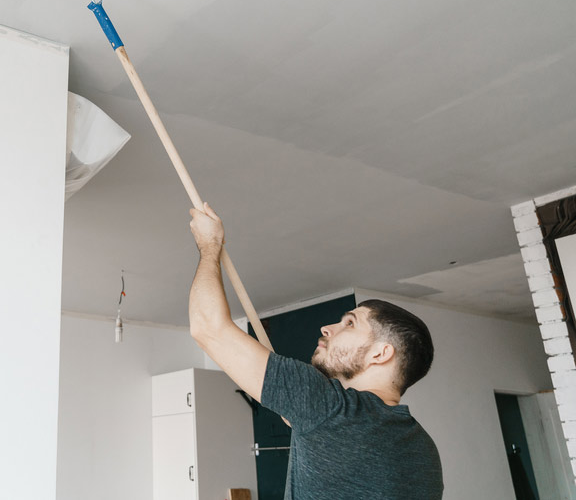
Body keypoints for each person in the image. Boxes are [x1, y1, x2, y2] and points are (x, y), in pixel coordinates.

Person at [188, 202, 443, 499]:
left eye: (349, 323)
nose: (327, 328)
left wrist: (209, 246)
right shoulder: (422, 450)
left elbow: (207, 327)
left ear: (380, 353)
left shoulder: (330, 410)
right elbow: (302, 421)